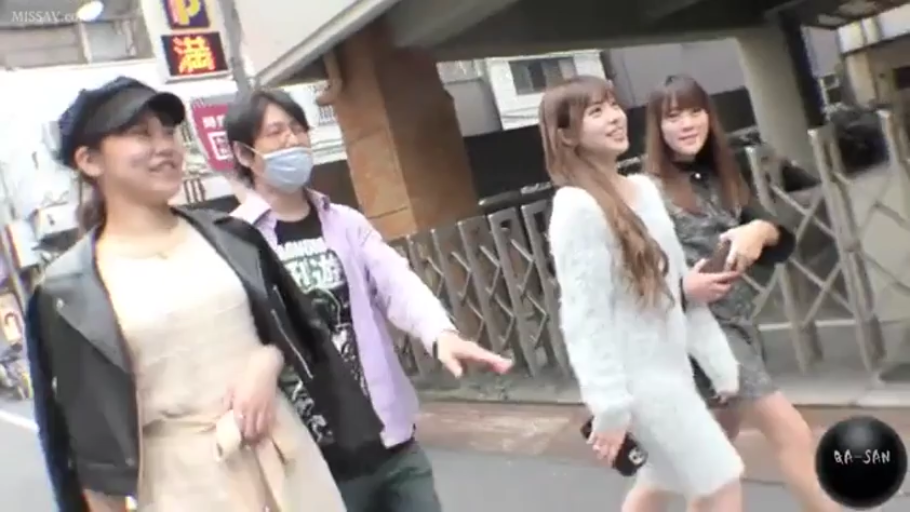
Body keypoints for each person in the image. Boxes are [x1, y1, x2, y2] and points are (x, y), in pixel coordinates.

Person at [25, 76, 383, 512]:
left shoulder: (231, 237)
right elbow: (90, 451)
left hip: (289, 466)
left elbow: (293, 329)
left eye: (169, 132)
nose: (165, 147)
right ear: (89, 160)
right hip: (183, 488)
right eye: (141, 134)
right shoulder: (70, 289)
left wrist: (267, 361)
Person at [224, 88, 514, 512]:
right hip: (311, 461)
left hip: (391, 444)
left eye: (298, 128)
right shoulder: (234, 241)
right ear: (244, 153)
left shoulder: (345, 223)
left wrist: (440, 333)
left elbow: (396, 282)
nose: (293, 140)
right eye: (276, 132)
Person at [636, 74, 840, 512]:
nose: (687, 124)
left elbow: (780, 237)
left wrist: (758, 229)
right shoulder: (645, 192)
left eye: (695, 111)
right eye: (673, 116)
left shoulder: (722, 176)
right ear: (658, 127)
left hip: (739, 324)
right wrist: (684, 288)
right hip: (699, 334)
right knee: (790, 432)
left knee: (698, 456)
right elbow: (629, 279)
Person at [541, 75, 744, 512]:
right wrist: (610, 406)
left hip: (672, 372)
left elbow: (675, 289)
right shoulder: (576, 208)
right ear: (567, 135)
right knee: (721, 483)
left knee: (664, 487)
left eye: (613, 105)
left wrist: (717, 362)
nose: (615, 117)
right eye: (596, 112)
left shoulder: (645, 191)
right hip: (640, 386)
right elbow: (585, 317)